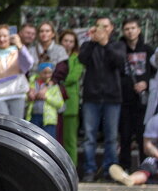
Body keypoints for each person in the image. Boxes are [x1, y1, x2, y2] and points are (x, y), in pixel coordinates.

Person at [78, 16, 126, 182]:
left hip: (112, 98)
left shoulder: (118, 45)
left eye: (105, 26)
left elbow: (119, 62)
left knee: (111, 137)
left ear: (111, 28)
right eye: (99, 26)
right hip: (91, 97)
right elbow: (82, 59)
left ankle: (110, 171)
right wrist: (92, 42)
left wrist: (105, 44)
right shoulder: (88, 45)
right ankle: (90, 170)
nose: (102, 29)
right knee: (89, 137)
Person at [118, 17, 153, 170]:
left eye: (133, 28)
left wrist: (146, 83)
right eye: (127, 29)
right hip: (125, 99)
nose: (130, 31)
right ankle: (124, 167)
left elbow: (155, 72)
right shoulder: (119, 50)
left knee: (142, 135)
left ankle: (145, 168)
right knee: (124, 135)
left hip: (143, 101)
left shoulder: (148, 50)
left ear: (139, 30)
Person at [57, 28, 84, 167]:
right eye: (65, 41)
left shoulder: (77, 58)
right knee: (56, 139)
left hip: (70, 103)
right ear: (60, 42)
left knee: (70, 140)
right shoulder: (54, 55)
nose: (68, 44)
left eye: (71, 41)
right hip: (52, 103)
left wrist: (56, 79)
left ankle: (71, 169)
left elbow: (73, 77)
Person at [109, 111, 158, 187]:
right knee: (148, 164)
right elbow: (147, 146)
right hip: (156, 160)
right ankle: (129, 179)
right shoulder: (155, 121)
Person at [26, 62, 64, 139]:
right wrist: (29, 97)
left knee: (48, 141)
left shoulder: (53, 86)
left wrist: (46, 98)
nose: (47, 75)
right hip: (34, 117)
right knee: (33, 140)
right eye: (44, 73)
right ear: (39, 73)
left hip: (49, 120)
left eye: (49, 73)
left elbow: (60, 103)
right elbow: (25, 98)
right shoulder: (32, 84)